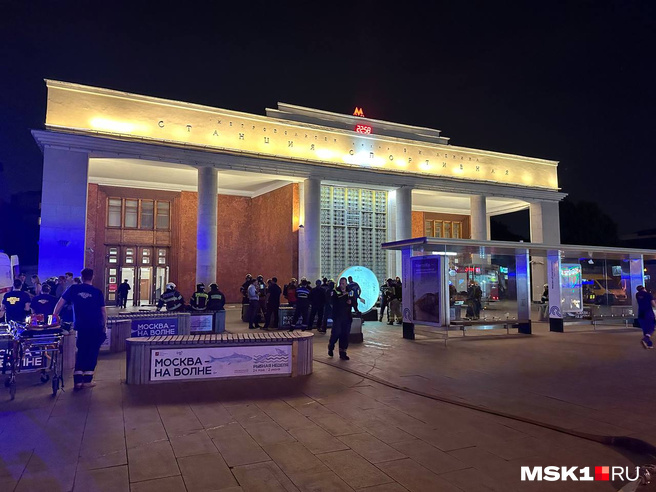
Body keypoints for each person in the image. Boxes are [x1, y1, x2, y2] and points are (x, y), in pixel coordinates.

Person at [54, 268, 106, 390]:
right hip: (95, 326)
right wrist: (104, 325)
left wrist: (54, 317)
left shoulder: (73, 289)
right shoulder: (97, 292)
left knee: (81, 350)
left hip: (80, 326)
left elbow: (60, 303)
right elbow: (103, 311)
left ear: (82, 278)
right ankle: (87, 380)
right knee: (92, 351)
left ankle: (77, 381)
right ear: (92, 277)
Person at [328, 277, 352, 360]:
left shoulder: (350, 291)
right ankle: (331, 346)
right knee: (336, 333)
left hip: (347, 317)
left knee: (345, 335)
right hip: (338, 316)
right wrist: (342, 296)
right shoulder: (335, 292)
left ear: (346, 284)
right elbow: (332, 301)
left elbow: (354, 301)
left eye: (343, 284)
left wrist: (351, 302)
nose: (341, 285)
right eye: (340, 283)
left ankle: (343, 353)